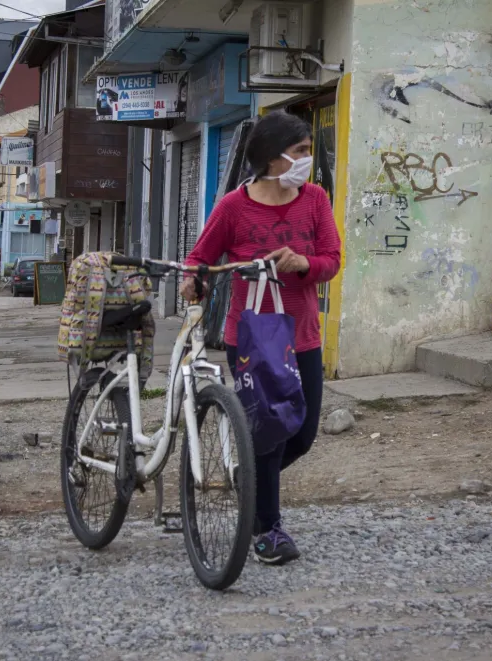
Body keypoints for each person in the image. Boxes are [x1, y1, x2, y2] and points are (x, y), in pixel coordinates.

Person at [180, 110, 341, 566]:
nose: (307, 160)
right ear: (272, 158)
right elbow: (201, 256)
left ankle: (247, 477)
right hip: (251, 337)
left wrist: (304, 264)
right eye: (301, 151)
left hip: (302, 334)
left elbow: (332, 258)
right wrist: (195, 279)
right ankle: (266, 529)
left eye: (309, 151)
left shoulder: (314, 200)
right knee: (269, 431)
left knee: (302, 434)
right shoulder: (234, 206)